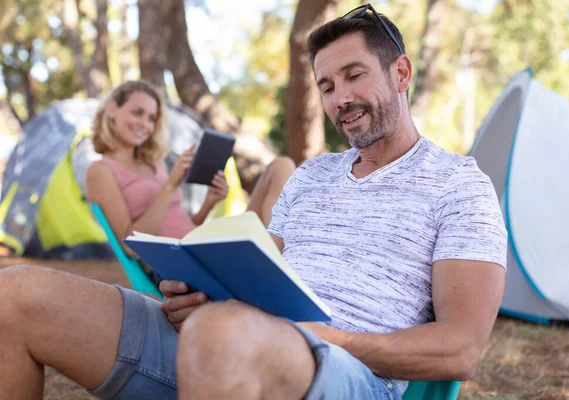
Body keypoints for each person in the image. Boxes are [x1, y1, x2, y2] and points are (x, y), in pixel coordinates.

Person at [0, 4, 507, 400]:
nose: (340, 99)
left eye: (355, 75)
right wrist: (205, 294)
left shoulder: (458, 185)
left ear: (401, 73)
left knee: (224, 332)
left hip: (348, 374)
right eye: (326, 86)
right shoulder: (310, 176)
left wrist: (321, 337)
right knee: (14, 294)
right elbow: (258, 275)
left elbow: (460, 347)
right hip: (230, 340)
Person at [85, 80, 295, 244]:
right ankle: (282, 257)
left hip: (199, 241)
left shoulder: (153, 164)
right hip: (180, 260)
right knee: (280, 171)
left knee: (281, 165)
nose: (145, 124)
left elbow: (180, 225)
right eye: (137, 113)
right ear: (113, 109)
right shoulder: (101, 171)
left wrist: (209, 203)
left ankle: (278, 250)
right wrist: (170, 186)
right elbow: (130, 246)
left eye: (151, 118)